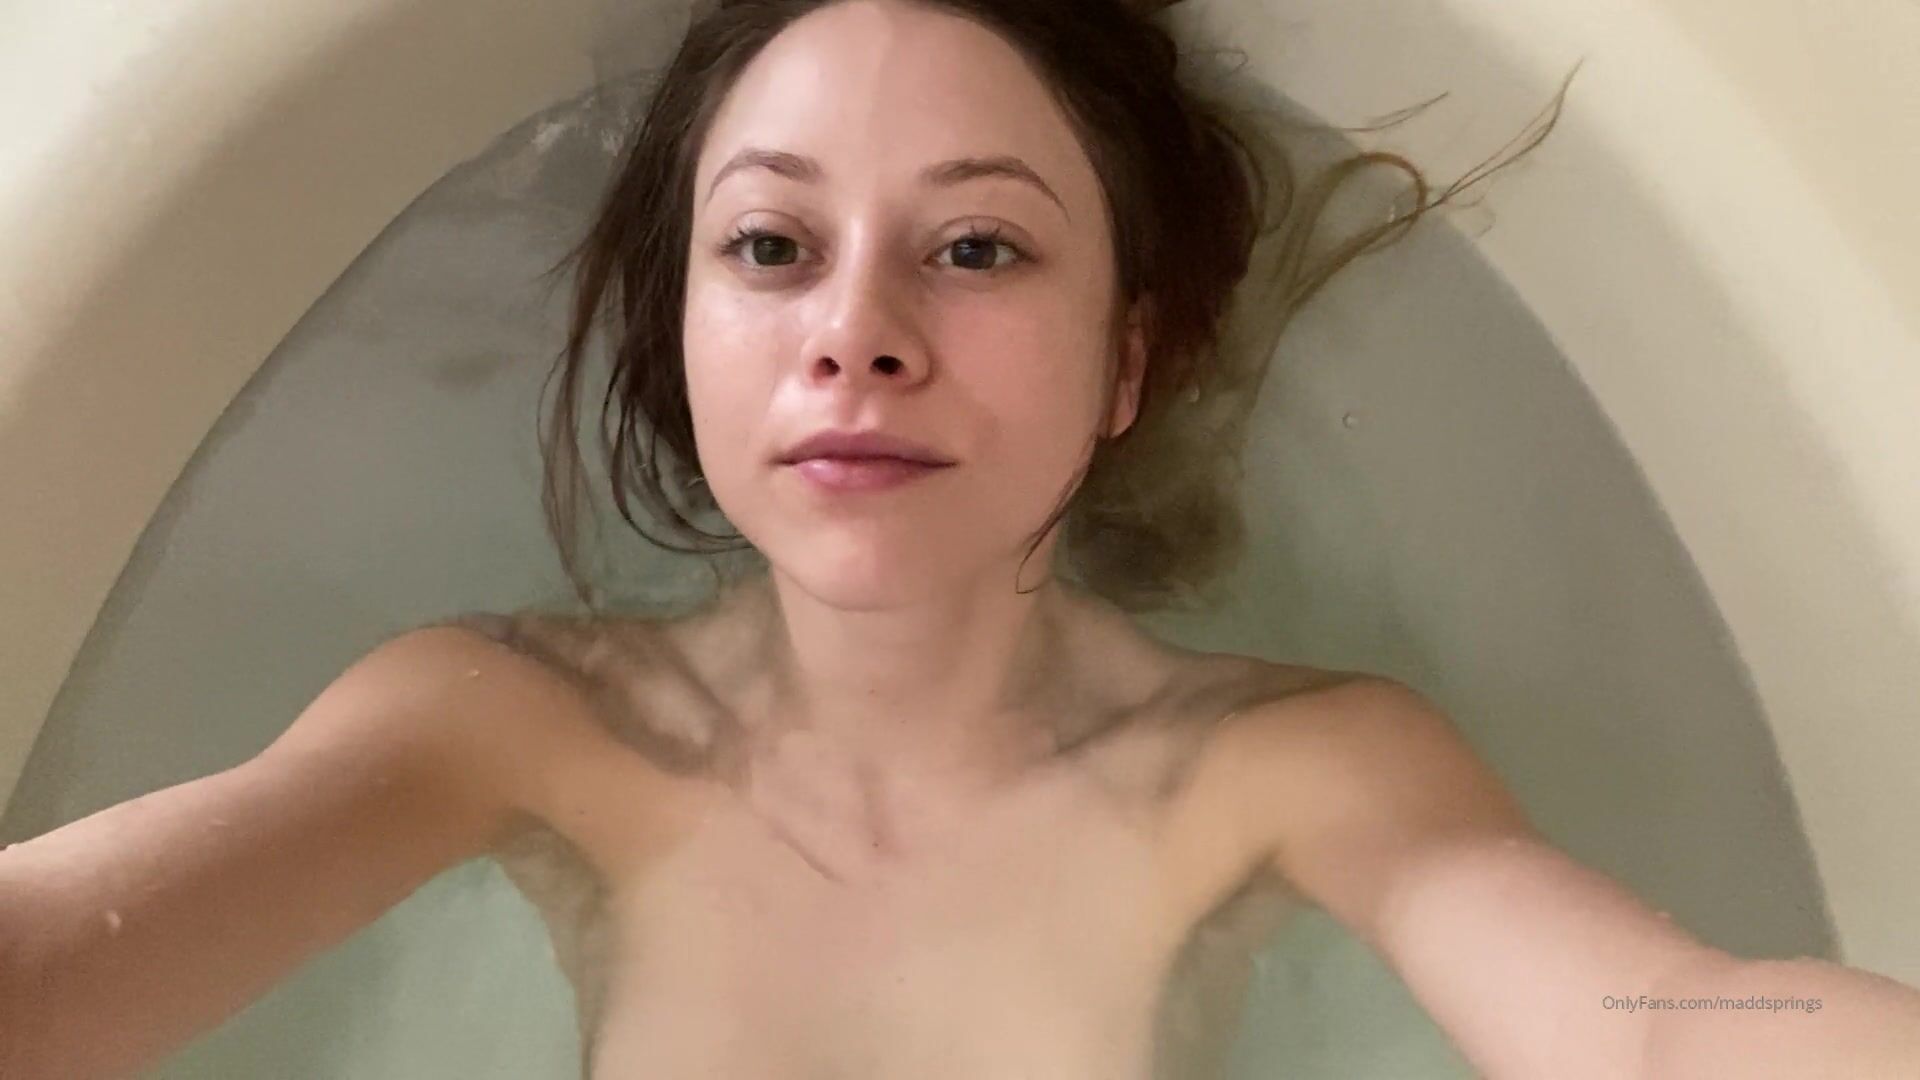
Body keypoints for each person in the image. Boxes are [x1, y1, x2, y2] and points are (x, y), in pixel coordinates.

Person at [5, 0, 1920, 1076]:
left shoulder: (1278, 766)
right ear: (686, 333)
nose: (858, 329)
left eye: (979, 245)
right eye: (772, 244)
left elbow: (1664, 1032)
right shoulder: (504, 724)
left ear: (1125, 361)